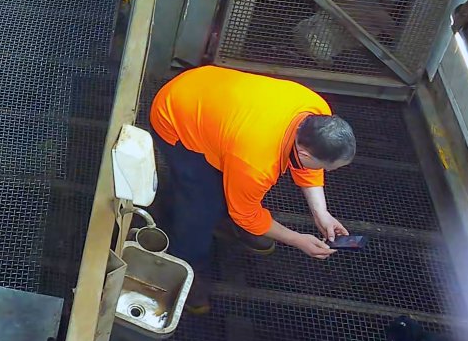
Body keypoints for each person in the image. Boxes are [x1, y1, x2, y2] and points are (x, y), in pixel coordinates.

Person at [149, 65, 356, 313]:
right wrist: (298, 240)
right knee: (200, 206)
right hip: (175, 118)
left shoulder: (317, 112)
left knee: (227, 187)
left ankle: (224, 217)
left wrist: (321, 214)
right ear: (304, 153)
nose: (328, 172)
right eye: (327, 167)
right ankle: (187, 267)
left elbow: (307, 165)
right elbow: (246, 213)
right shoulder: (256, 163)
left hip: (209, 94)